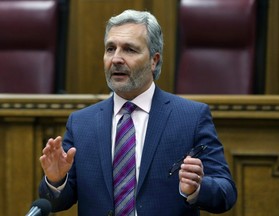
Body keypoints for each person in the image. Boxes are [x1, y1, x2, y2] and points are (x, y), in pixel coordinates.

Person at [38, 9, 237, 216]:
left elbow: (226, 193)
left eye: (129, 50)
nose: (116, 59)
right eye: (110, 49)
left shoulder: (191, 117)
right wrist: (56, 181)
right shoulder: (81, 123)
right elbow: (58, 201)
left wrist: (196, 189)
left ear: (154, 60)